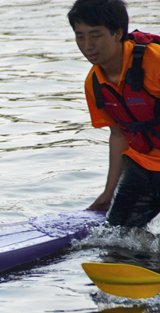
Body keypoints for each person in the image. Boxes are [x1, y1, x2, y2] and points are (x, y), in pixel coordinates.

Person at [68, 0, 160, 228]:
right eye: (80, 36)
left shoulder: (155, 60)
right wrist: (109, 193)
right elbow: (119, 135)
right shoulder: (94, 83)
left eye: (95, 35)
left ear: (118, 33)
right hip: (144, 166)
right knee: (117, 235)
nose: (87, 45)